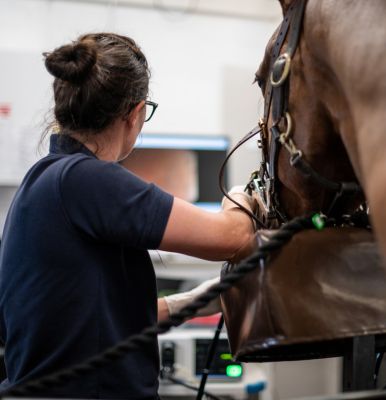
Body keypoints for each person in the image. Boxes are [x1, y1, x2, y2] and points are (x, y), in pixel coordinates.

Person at [0, 33, 255, 399]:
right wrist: (245, 195)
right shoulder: (86, 180)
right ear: (135, 114)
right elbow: (233, 237)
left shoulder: (43, 181)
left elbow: (92, 322)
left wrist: (190, 302)